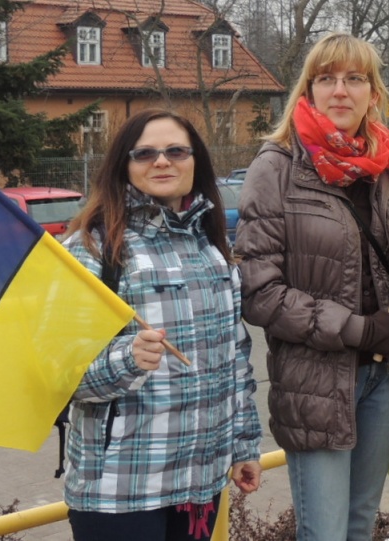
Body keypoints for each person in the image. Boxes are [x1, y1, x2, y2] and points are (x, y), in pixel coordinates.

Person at [235, 33, 389, 541]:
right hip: (317, 385)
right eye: (327, 78)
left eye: (355, 79)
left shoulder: (382, 167)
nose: (340, 91)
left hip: (382, 380)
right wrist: (357, 329)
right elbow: (260, 292)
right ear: (308, 91)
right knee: (324, 532)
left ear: (374, 92)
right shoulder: (276, 168)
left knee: (358, 525)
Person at [61, 109, 262, 541]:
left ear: (195, 162)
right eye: (145, 153)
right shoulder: (91, 248)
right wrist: (126, 360)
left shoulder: (211, 246)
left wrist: (244, 446)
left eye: (176, 150)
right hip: (121, 488)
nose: (162, 161)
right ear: (125, 165)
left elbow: (235, 361)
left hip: (200, 483)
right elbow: (62, 374)